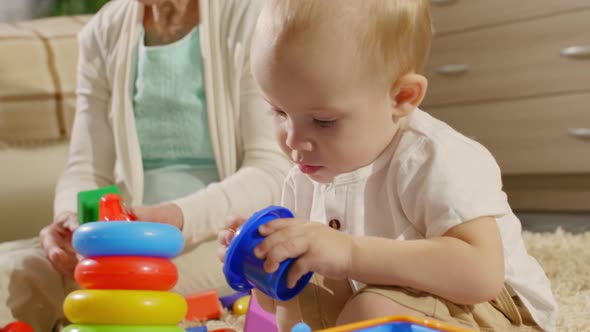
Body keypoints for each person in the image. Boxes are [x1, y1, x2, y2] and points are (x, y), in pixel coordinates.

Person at [218, 1, 558, 331]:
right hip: (375, 291)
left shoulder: (435, 157)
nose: (293, 141)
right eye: (278, 112)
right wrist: (263, 262)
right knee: (305, 286)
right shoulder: (304, 176)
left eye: (322, 121)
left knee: (372, 311)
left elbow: (482, 275)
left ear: (401, 98)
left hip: (493, 307)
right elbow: (277, 305)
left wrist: (350, 253)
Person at [0, 0, 290, 330]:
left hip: (222, 235)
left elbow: (271, 170)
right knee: (9, 268)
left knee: (111, 286)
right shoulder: (102, 31)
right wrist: (70, 222)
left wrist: (174, 218)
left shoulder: (253, 16)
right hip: (126, 233)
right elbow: (87, 169)